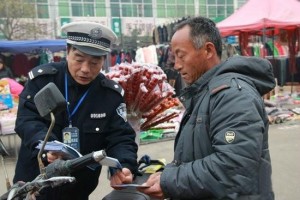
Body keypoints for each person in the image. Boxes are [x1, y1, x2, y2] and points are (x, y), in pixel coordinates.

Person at [138, 16, 275, 199]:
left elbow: (233, 167)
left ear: (208, 50)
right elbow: (197, 154)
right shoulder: (205, 92)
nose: (177, 66)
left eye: (181, 55)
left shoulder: (233, 95)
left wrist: (170, 180)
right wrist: (166, 174)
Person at [13, 21, 138, 200]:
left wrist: (124, 165)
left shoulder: (109, 95)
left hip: (78, 189)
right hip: (33, 186)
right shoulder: (42, 80)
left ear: (104, 60)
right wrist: (48, 146)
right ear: (68, 51)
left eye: (95, 62)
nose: (85, 69)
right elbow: (27, 120)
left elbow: (121, 137)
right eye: (79, 59)